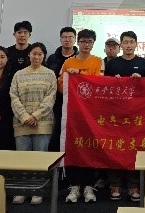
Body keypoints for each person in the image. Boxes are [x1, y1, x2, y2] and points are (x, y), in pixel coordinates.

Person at [104, 31, 145, 202]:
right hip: (115, 115)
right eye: (125, 42)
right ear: (121, 45)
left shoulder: (143, 63)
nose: (129, 45)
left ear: (136, 44)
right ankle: (115, 185)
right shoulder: (112, 64)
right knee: (114, 149)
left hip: (137, 115)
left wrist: (141, 81)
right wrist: (113, 81)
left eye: (132, 42)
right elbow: (103, 89)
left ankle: (134, 186)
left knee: (134, 149)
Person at [57, 29, 103, 204]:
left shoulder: (98, 61)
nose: (86, 44)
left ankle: (89, 186)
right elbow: (60, 87)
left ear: (93, 43)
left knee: (90, 148)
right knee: (73, 147)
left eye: (89, 41)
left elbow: (98, 84)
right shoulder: (68, 62)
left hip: (91, 114)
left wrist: (81, 76)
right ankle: (74, 185)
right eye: (83, 41)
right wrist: (70, 77)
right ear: (78, 42)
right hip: (72, 115)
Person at [10, 42, 57, 206]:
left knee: (40, 159)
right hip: (21, 123)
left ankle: (37, 191)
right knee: (22, 160)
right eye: (34, 53)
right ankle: (21, 191)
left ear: (44, 56)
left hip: (42, 123)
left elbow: (50, 98)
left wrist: (36, 116)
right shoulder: (19, 74)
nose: (36, 56)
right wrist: (24, 116)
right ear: (29, 55)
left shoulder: (50, 74)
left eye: (40, 54)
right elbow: (14, 97)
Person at [46, 26, 77, 152]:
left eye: (70, 37)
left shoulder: (79, 58)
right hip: (55, 101)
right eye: (64, 37)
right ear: (60, 39)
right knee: (56, 132)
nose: (67, 40)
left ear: (75, 40)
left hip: (74, 103)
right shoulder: (52, 58)